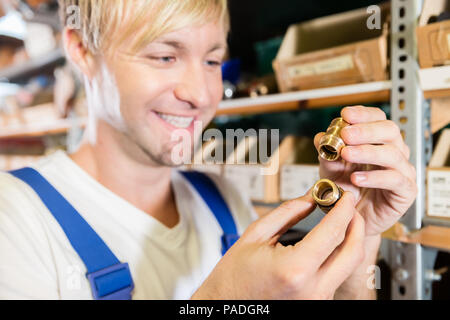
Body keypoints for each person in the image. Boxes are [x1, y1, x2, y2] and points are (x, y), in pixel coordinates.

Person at [0, 0, 417, 300]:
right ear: (82, 52)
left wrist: (357, 236)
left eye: (213, 62)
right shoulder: (15, 220)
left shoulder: (223, 201)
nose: (201, 95)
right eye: (165, 56)